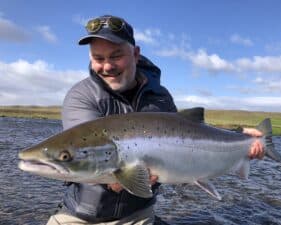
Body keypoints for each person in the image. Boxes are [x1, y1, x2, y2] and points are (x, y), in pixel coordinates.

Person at [46, 15, 265, 225]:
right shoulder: (81, 96)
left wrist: (239, 136)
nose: (107, 66)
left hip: (138, 215)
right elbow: (82, 158)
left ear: (135, 54)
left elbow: (193, 132)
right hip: (80, 216)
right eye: (98, 58)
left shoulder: (160, 97)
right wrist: (122, 180)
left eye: (115, 56)